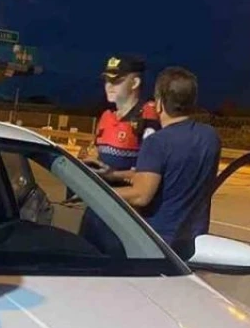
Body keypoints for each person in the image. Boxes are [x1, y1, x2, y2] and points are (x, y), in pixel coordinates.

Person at [114, 66, 221, 259]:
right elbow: (171, 171)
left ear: (159, 104)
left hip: (158, 242)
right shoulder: (210, 137)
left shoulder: (157, 143)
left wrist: (96, 192)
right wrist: (113, 174)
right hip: (195, 242)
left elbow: (140, 195)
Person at [93, 54, 160, 177]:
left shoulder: (148, 116)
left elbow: (150, 172)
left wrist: (113, 176)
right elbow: (97, 154)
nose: (109, 86)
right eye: (107, 80)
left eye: (116, 81)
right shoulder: (106, 117)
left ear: (135, 83)